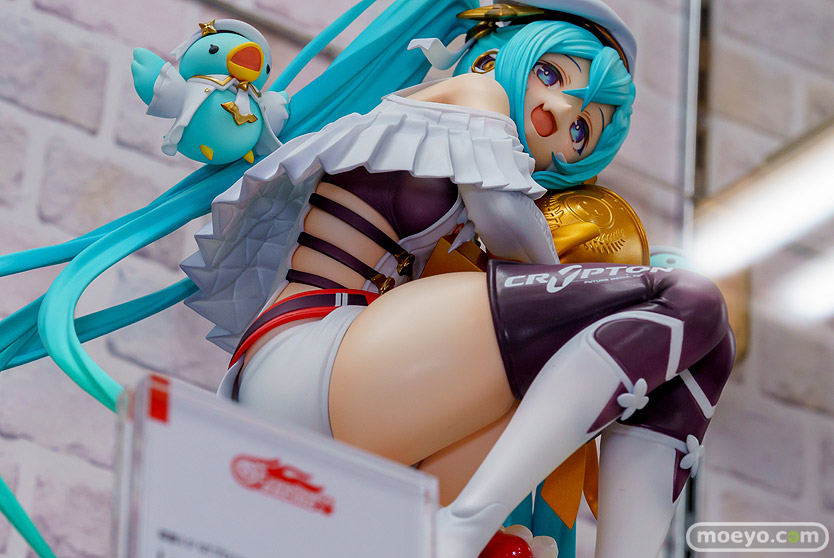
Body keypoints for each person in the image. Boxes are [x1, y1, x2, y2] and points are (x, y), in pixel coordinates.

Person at [181, 1, 734, 557]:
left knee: (707, 340)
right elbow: (513, 233)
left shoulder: (485, 166)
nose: (559, 110)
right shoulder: (475, 94)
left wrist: (611, 297)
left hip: (371, 395)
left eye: (580, 130)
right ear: (503, 55)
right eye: (550, 74)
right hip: (308, 354)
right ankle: (466, 524)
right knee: (682, 300)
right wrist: (610, 295)